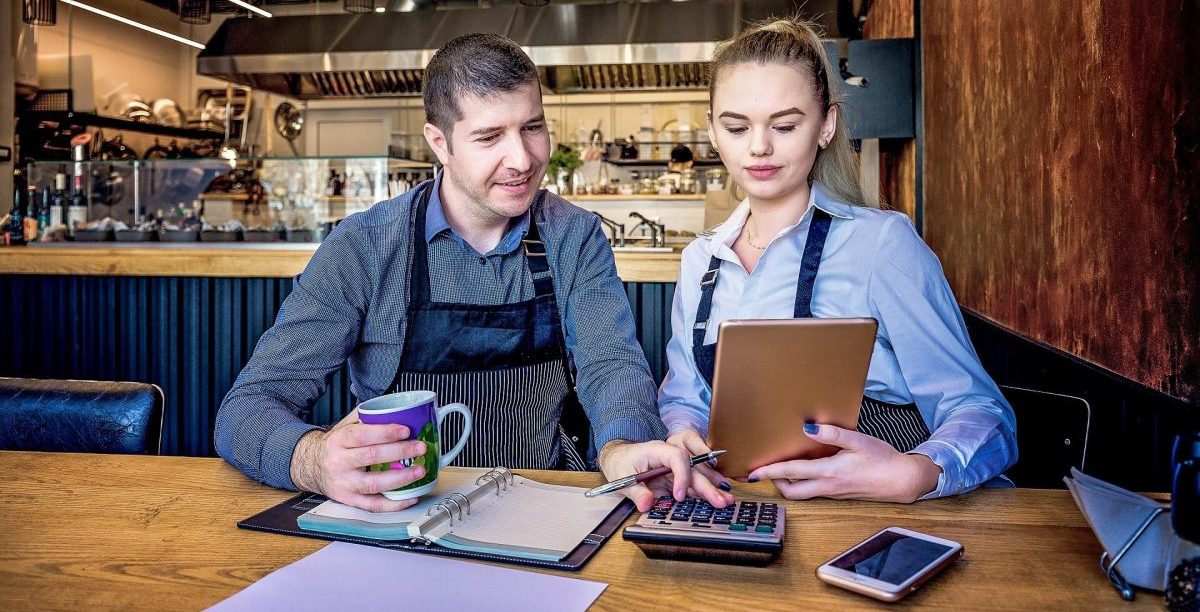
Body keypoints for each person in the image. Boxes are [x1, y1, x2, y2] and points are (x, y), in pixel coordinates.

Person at [215, 33, 733, 513]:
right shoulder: (365, 247)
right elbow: (247, 410)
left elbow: (611, 366)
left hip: (543, 509)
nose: (523, 158)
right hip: (402, 518)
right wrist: (315, 459)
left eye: (532, 127)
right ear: (440, 143)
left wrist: (622, 446)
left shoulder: (573, 236)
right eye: (490, 137)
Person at [659, 18, 1017, 503]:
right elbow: (685, 398)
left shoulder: (882, 244)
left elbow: (982, 412)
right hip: (745, 506)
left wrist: (915, 474)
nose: (759, 146)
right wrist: (682, 433)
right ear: (712, 132)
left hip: (874, 515)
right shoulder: (700, 262)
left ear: (825, 126)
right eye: (737, 126)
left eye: (785, 125)